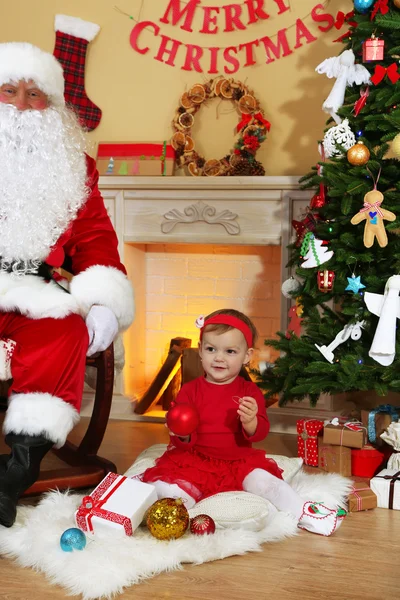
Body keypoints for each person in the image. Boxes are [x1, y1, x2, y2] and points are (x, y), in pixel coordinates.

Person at [0, 42, 134, 527]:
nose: (19, 104)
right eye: (9, 90)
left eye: (33, 94)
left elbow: (97, 238)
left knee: (66, 332)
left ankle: (15, 474)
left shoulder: (75, 168)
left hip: (33, 290)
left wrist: (101, 300)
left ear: (52, 105)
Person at [141, 309, 346, 536]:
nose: (219, 358)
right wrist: (181, 432)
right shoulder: (189, 390)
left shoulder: (249, 391)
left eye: (230, 351)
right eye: (211, 349)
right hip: (195, 460)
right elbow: (182, 439)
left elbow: (260, 433)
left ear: (247, 356)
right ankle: (150, 510)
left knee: (269, 485)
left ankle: (304, 513)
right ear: (200, 350)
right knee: (170, 490)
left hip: (237, 462)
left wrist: (250, 421)